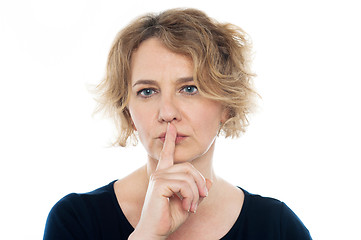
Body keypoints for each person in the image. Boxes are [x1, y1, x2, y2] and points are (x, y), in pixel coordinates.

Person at [43, 8, 312, 240]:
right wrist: (147, 233)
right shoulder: (75, 221)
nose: (167, 112)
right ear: (128, 113)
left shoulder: (277, 228)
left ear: (227, 105)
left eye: (190, 88)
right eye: (147, 91)